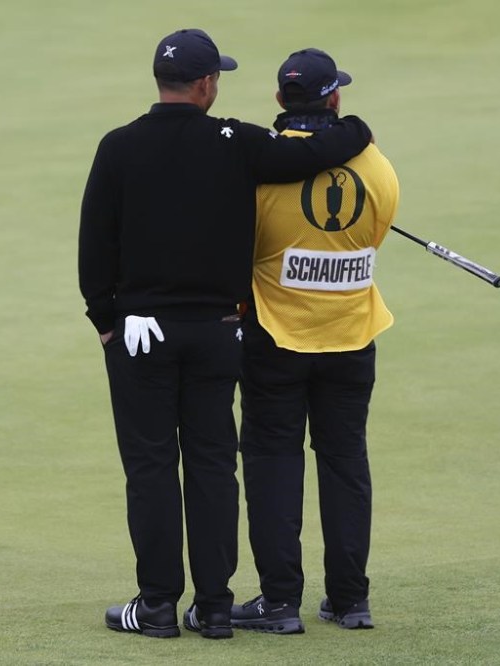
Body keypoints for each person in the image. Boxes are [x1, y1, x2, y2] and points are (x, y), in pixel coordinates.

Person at [79, 30, 374, 640]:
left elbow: (94, 248)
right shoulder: (237, 141)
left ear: (162, 82)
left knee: (152, 467)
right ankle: (213, 606)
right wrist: (356, 127)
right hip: (218, 333)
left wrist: (106, 323)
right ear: (208, 83)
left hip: (141, 335)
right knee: (213, 465)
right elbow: (313, 149)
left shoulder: (118, 146)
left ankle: (157, 605)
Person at [230, 48, 399, 634]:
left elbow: (242, 253)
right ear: (335, 98)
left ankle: (279, 603)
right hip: (352, 337)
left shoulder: (258, 171)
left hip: (275, 339)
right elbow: (374, 236)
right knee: (345, 460)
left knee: (274, 463)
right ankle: (350, 599)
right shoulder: (376, 166)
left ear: (281, 101)